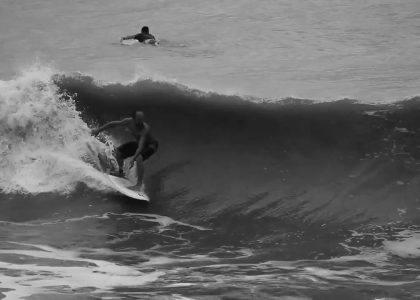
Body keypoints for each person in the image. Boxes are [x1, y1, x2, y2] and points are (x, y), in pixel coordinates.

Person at [92, 111, 158, 191]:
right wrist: (98, 130)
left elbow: (140, 146)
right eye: (138, 119)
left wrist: (134, 158)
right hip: (138, 143)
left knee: (139, 158)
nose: (140, 122)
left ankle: (138, 185)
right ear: (133, 119)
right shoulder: (128, 121)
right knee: (118, 153)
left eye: (141, 119)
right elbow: (113, 124)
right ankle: (120, 171)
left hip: (151, 146)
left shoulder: (145, 128)